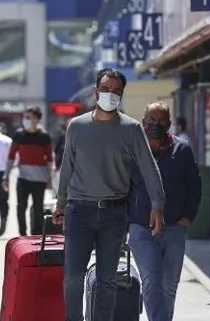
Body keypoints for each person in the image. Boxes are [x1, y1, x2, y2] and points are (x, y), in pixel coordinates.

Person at [52, 68, 166, 321]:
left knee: (106, 280)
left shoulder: (131, 128)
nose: (110, 95)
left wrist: (157, 204)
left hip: (114, 214)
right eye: (105, 89)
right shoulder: (77, 126)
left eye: (116, 91)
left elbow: (149, 167)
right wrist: (60, 203)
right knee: (73, 278)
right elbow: (67, 167)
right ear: (96, 91)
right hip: (78, 211)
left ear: (122, 95)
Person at [127, 102, 202, 321]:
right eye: (151, 120)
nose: (155, 125)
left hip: (174, 227)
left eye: (161, 121)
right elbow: (123, 188)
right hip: (142, 227)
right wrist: (124, 224)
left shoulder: (182, 150)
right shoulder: (133, 151)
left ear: (169, 124)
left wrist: (188, 217)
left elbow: (194, 185)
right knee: (151, 278)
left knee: (169, 285)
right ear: (143, 122)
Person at [3, 106, 53, 236]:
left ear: (36, 119)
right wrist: (6, 177)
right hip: (23, 179)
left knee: (38, 210)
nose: (25, 120)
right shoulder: (18, 135)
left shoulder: (44, 137)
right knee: (21, 208)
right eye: (24, 117)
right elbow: (11, 157)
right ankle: (23, 235)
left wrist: (50, 179)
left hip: (39, 180)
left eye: (28, 117)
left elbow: (49, 160)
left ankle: (36, 236)